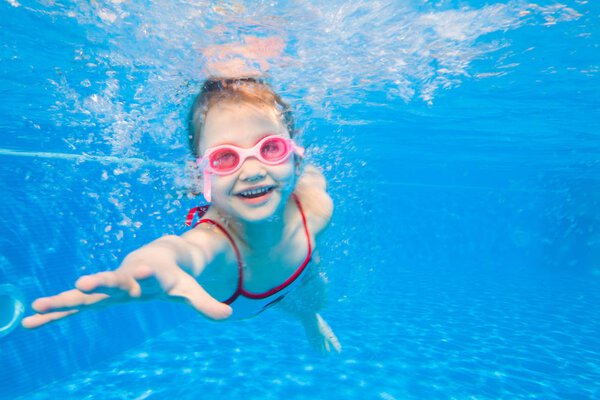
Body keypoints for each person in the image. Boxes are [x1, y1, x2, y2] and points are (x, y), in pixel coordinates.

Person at [22, 77, 342, 354]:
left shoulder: (315, 207)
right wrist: (149, 266)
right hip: (247, 300)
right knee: (285, 296)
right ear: (197, 176)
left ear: (295, 160)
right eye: (225, 158)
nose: (254, 171)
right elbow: (181, 251)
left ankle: (308, 317)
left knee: (313, 297)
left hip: (298, 274)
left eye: (271, 148)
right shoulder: (217, 246)